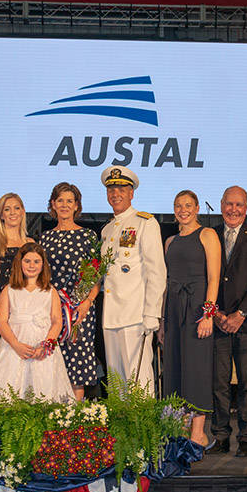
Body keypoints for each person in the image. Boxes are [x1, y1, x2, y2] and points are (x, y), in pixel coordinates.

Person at [210, 185, 247, 458]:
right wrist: (218, 314)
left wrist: (240, 314)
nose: (233, 210)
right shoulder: (208, 234)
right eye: (229, 204)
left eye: (239, 205)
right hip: (217, 322)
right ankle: (220, 435)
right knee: (218, 382)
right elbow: (206, 277)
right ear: (221, 204)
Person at [162, 190, 221, 447]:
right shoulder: (170, 241)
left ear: (197, 208)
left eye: (187, 205)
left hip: (197, 308)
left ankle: (199, 432)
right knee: (175, 367)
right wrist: (162, 322)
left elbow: (214, 278)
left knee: (196, 369)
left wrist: (208, 314)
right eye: (178, 205)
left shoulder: (207, 235)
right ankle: (180, 427)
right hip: (174, 308)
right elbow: (166, 282)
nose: (182, 209)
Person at [100, 165, 166, 394]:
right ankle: (121, 429)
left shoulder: (145, 223)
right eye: (111, 189)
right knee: (117, 382)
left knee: (138, 381)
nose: (115, 194)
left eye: (121, 189)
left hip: (135, 316)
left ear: (131, 193)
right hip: (111, 316)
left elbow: (156, 272)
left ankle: (142, 430)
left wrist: (151, 313)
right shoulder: (107, 230)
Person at [0, 242, 74, 403]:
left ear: (43, 265)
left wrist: (46, 344)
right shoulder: (9, 290)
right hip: (14, 346)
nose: (32, 265)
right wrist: (16, 345)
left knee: (44, 387)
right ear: (20, 263)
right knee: (10, 388)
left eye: (36, 262)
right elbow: (2, 321)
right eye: (27, 261)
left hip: (42, 348)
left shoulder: (50, 290)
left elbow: (56, 321)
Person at [39, 182, 102, 400]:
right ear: (53, 205)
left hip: (79, 310)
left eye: (69, 201)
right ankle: (55, 418)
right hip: (52, 310)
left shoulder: (88, 236)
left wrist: (87, 302)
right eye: (60, 201)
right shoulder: (45, 239)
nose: (64, 205)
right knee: (52, 362)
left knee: (78, 364)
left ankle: (75, 420)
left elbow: (95, 275)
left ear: (76, 206)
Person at [0, 193, 32, 345]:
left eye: (17, 208)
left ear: (23, 212)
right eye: (7, 209)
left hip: (30, 314)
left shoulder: (31, 243)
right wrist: (10, 310)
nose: (13, 213)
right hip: (6, 315)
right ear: (1, 215)